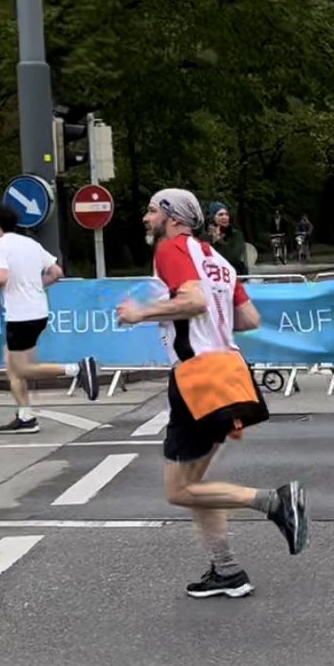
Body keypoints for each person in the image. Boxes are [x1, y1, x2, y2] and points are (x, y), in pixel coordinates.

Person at [117, 188, 307, 597]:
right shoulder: (219, 260)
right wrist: (211, 321)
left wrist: (141, 314)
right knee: (196, 484)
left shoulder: (171, 249)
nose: (146, 218)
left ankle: (274, 502)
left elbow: (194, 301)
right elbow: (249, 317)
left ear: (172, 217)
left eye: (151, 211)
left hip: (197, 377)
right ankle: (227, 570)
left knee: (178, 489)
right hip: (230, 372)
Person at [0, 206, 100, 432]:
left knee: (23, 369)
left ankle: (76, 369)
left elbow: (1, 277)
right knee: (11, 364)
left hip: (20, 315)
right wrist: (36, 286)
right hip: (38, 311)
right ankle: (25, 417)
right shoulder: (31, 244)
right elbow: (57, 272)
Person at [207, 202, 248, 276]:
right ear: (212, 217)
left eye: (226, 214)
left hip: (233, 272)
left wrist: (219, 241)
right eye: (220, 215)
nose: (224, 217)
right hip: (211, 273)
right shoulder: (205, 236)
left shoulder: (235, 234)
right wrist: (212, 239)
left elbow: (233, 257)